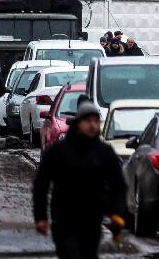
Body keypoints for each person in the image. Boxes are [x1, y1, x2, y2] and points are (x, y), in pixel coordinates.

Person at [33, 100, 127, 259]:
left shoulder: (104, 152)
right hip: (64, 220)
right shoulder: (59, 151)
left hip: (92, 221)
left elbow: (118, 185)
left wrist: (116, 214)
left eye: (96, 121)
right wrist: (41, 217)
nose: (92, 125)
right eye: (88, 121)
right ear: (78, 123)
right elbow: (41, 183)